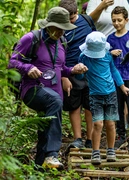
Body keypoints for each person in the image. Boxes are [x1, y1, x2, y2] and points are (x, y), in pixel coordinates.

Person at [8, 7, 88, 169]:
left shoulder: (62, 42)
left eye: (63, 29)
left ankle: (39, 166)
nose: (61, 32)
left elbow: (61, 68)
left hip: (54, 92)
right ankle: (52, 154)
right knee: (55, 101)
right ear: (48, 25)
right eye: (58, 28)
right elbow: (12, 62)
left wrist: (73, 70)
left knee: (46, 125)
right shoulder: (31, 39)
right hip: (32, 89)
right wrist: (28, 68)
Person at [78, 31, 129, 165]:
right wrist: (79, 71)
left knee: (110, 124)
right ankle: (96, 152)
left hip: (111, 93)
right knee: (98, 124)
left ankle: (110, 150)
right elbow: (79, 76)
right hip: (95, 95)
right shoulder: (83, 57)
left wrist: (122, 86)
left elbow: (113, 71)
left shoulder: (107, 55)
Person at [59, 0, 94, 150]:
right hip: (70, 70)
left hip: (90, 69)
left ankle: (90, 139)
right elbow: (57, 55)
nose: (70, 22)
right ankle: (77, 138)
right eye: (67, 20)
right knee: (74, 106)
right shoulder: (59, 28)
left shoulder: (87, 21)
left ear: (77, 13)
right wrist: (64, 77)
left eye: (72, 18)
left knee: (90, 105)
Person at [107, 6, 129, 153]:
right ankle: (121, 136)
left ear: (126, 20)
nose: (117, 23)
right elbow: (105, 59)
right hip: (115, 78)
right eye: (114, 20)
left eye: (119, 20)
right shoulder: (110, 38)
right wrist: (110, 53)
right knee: (118, 108)